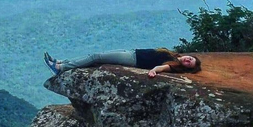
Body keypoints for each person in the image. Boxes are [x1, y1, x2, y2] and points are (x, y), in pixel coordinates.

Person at [44, 48, 201, 78]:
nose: (188, 61)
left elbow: (161, 67)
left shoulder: (173, 64)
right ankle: (61, 61)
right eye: (191, 59)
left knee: (96, 57)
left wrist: (154, 71)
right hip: (132, 52)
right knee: (95, 56)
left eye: (189, 64)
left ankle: (61, 68)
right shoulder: (175, 54)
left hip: (133, 60)